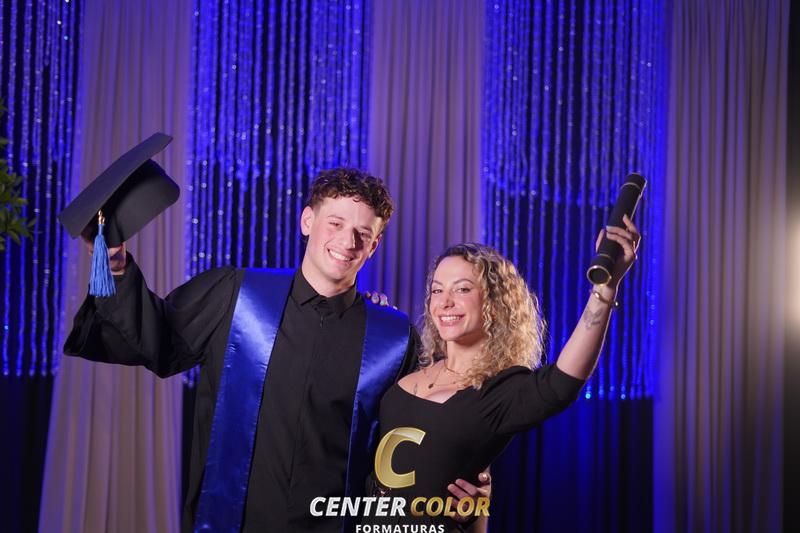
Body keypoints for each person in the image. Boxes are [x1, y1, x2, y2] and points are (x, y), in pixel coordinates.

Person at [64, 165, 489, 532]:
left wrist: (460, 485)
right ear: (307, 220)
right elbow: (158, 338)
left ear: (374, 245)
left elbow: (410, 444)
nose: (348, 241)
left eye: (363, 233)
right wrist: (114, 264)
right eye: (335, 223)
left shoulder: (393, 339)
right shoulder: (237, 296)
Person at [367, 217, 640, 531]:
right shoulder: (411, 360)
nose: (445, 302)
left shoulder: (500, 392)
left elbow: (562, 383)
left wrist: (604, 289)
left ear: (494, 304)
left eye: (463, 289)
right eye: (437, 290)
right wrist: (369, 312)